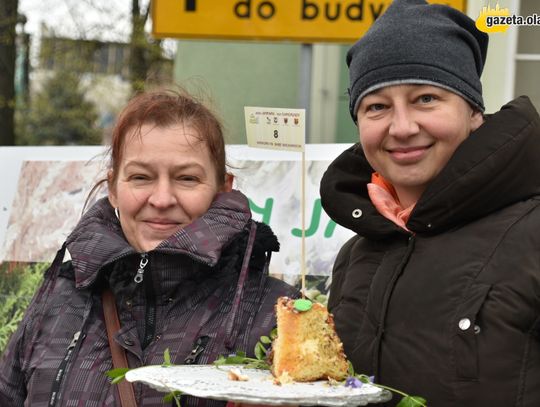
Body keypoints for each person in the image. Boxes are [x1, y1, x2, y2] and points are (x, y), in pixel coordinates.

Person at [0, 89, 298, 406]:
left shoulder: (276, 316)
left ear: (223, 187)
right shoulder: (56, 301)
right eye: (141, 177)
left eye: (186, 178)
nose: (161, 199)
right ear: (113, 188)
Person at [320, 0, 540, 406]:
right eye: (377, 106)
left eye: (426, 99)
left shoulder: (533, 235)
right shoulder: (357, 255)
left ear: (473, 111)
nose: (402, 127)